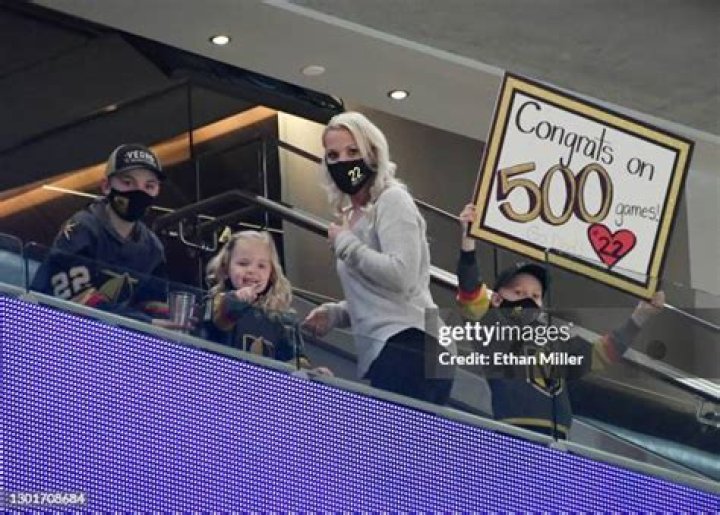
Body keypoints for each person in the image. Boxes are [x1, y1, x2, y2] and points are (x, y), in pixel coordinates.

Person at [456, 203, 664, 437]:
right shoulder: (492, 327)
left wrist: (641, 315)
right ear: (496, 299)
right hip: (514, 433)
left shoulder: (554, 339)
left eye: (535, 296)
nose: (527, 300)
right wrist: (468, 241)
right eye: (518, 292)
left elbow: (603, 352)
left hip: (559, 441)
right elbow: (470, 290)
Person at [302, 111, 453, 405]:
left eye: (353, 151)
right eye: (333, 155)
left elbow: (401, 276)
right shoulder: (352, 217)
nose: (343, 162)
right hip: (392, 348)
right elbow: (377, 295)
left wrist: (345, 244)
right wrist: (336, 314)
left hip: (413, 344)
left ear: (372, 153)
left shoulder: (392, 199)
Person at [31, 143, 173, 326]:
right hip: (49, 329)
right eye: (128, 182)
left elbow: (154, 306)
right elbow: (80, 302)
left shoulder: (153, 248)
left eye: (149, 186)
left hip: (110, 338)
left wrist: (175, 321)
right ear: (106, 186)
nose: (139, 192)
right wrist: (145, 322)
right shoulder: (82, 228)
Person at [202, 230, 330, 374]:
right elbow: (220, 319)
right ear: (226, 268)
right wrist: (237, 299)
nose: (252, 270)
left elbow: (294, 361)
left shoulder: (281, 318)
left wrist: (311, 373)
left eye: (261, 266)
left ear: (271, 274)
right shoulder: (216, 300)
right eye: (243, 263)